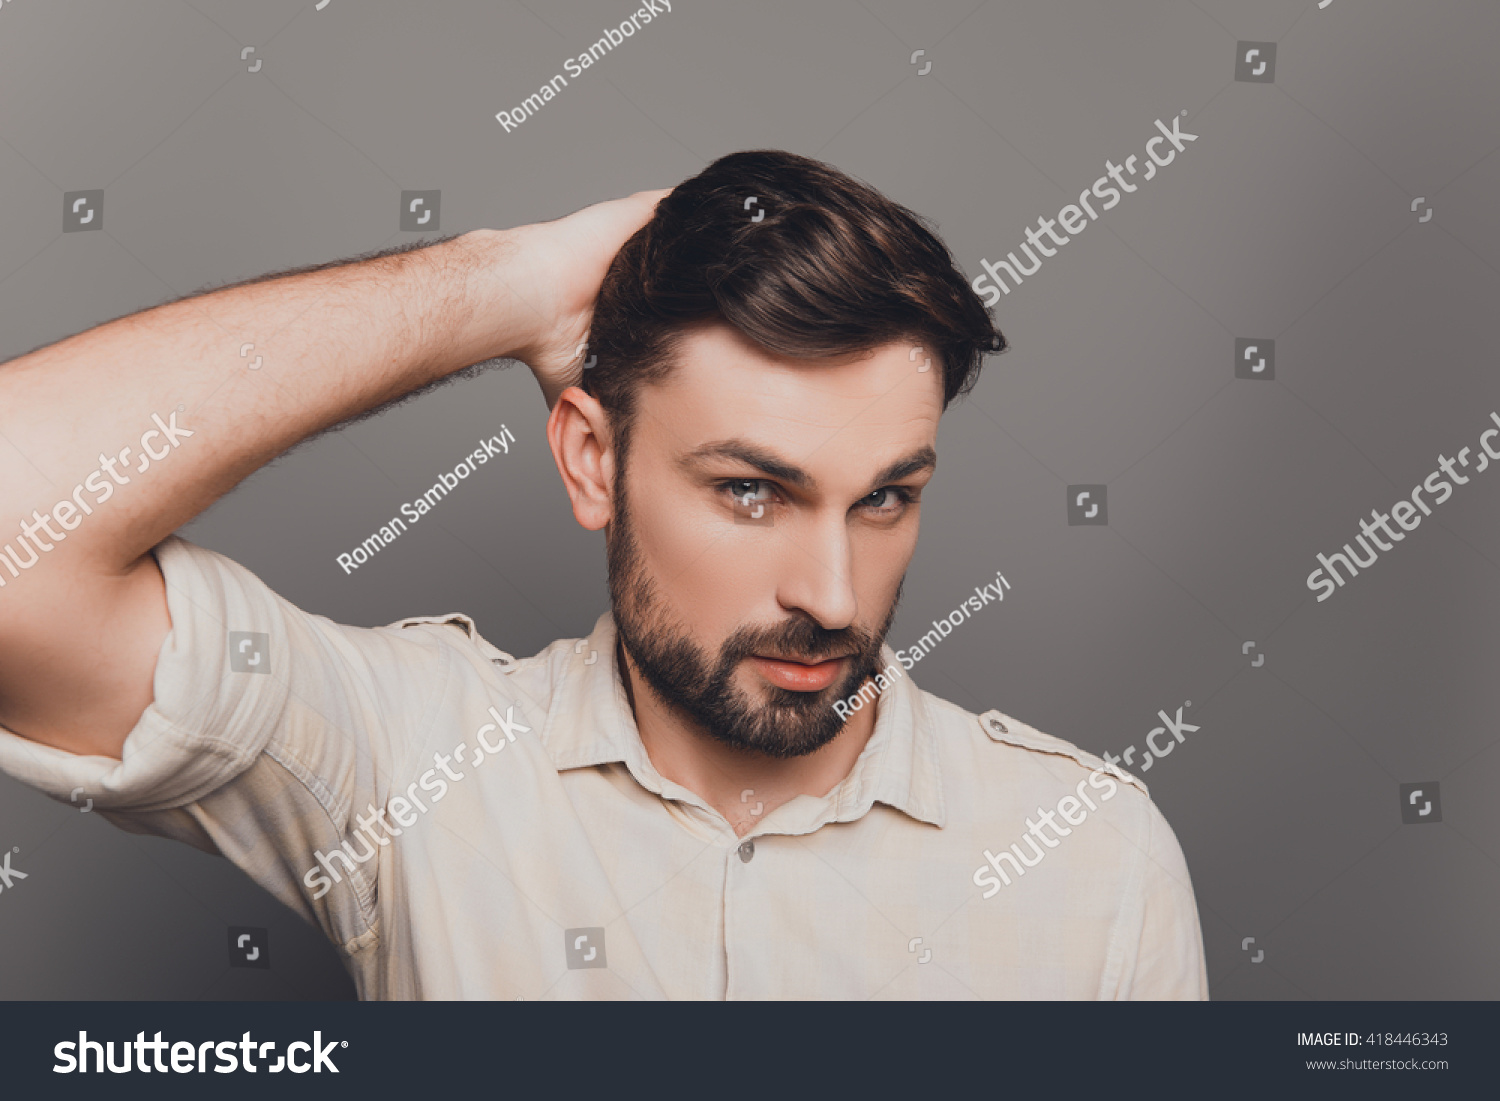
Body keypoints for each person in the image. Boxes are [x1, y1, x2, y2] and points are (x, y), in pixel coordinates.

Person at [0, 150, 1207, 999]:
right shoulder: (417, 765)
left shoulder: (1090, 860)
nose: (836, 600)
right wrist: (507, 285)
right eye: (751, 491)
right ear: (592, 460)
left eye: (885, 497)